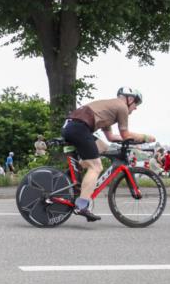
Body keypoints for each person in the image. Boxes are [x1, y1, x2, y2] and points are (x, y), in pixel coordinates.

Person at [60, 87, 155, 222]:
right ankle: (81, 205)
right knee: (96, 167)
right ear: (130, 99)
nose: (135, 108)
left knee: (104, 148)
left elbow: (111, 137)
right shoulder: (122, 107)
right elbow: (125, 134)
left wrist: (133, 142)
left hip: (73, 126)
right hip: (79, 128)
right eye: (136, 104)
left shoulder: (109, 109)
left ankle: (70, 180)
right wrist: (145, 137)